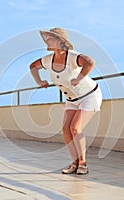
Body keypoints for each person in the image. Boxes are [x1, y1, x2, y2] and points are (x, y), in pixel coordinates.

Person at [29, 27, 102, 175]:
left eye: (51, 38)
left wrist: (79, 78)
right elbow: (32, 67)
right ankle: (74, 163)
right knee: (65, 129)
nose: (47, 41)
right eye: (47, 38)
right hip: (71, 99)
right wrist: (39, 81)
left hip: (89, 96)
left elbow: (90, 62)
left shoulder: (72, 57)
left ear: (60, 41)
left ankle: (83, 163)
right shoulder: (48, 60)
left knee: (75, 128)